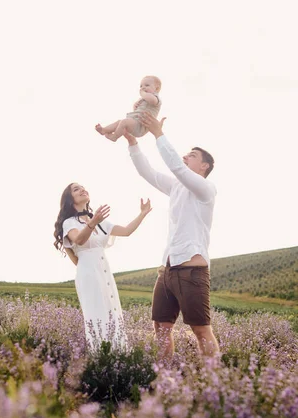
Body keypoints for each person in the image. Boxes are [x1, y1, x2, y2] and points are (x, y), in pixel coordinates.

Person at [123, 112, 220, 360]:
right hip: (166, 271)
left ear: (204, 166)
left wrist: (158, 134)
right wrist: (133, 144)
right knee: (161, 328)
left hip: (192, 272)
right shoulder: (177, 187)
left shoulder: (205, 189)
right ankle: (166, 381)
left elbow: (176, 166)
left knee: (200, 330)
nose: (186, 156)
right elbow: (149, 173)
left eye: (193, 155)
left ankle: (215, 384)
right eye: (186, 153)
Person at [54, 182, 152, 349]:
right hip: (88, 273)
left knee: (113, 311)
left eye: (83, 187)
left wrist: (142, 214)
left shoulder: (98, 221)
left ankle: (119, 355)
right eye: (76, 189)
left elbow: (126, 231)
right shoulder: (70, 222)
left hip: (104, 271)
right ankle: (100, 357)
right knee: (97, 315)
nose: (82, 189)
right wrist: (92, 223)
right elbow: (79, 240)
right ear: (70, 200)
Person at [95, 76, 162, 142]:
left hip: (141, 126)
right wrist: (135, 106)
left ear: (156, 88)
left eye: (147, 85)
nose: (143, 87)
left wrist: (142, 93)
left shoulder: (156, 98)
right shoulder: (143, 99)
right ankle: (104, 130)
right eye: (141, 86)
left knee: (124, 122)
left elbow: (152, 100)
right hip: (135, 121)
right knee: (119, 122)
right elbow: (136, 111)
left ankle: (114, 137)